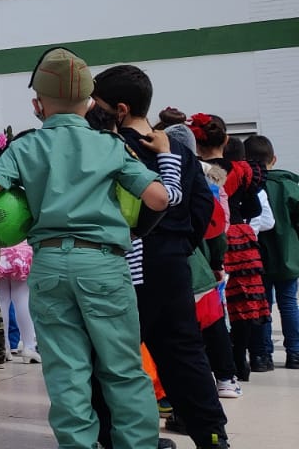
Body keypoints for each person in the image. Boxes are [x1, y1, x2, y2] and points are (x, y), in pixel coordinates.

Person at [0, 47, 170, 449]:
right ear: (89, 103)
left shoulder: (25, 146)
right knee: (122, 369)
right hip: (103, 263)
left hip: (49, 264)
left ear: (37, 105)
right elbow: (158, 198)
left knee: (67, 371)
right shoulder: (110, 145)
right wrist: (134, 233)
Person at [90, 66, 229, 449]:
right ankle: (212, 436)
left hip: (120, 266)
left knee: (111, 358)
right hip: (172, 267)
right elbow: (202, 207)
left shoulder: (105, 149)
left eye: (96, 103)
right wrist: (178, 247)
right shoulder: (179, 151)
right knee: (185, 353)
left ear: (119, 109)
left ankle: (117, 437)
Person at [192, 114, 274, 379]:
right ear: (226, 140)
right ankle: (240, 359)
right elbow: (253, 208)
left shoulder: (198, 169)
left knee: (214, 300)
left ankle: (216, 360)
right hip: (240, 237)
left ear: (197, 143)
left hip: (209, 238)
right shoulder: (242, 170)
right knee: (243, 301)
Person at [248, 136, 299, 369]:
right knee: (288, 304)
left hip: (255, 257)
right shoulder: (288, 185)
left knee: (262, 305)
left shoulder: (247, 185)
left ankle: (262, 356)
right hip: (287, 256)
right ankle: (295, 354)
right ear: (274, 159)